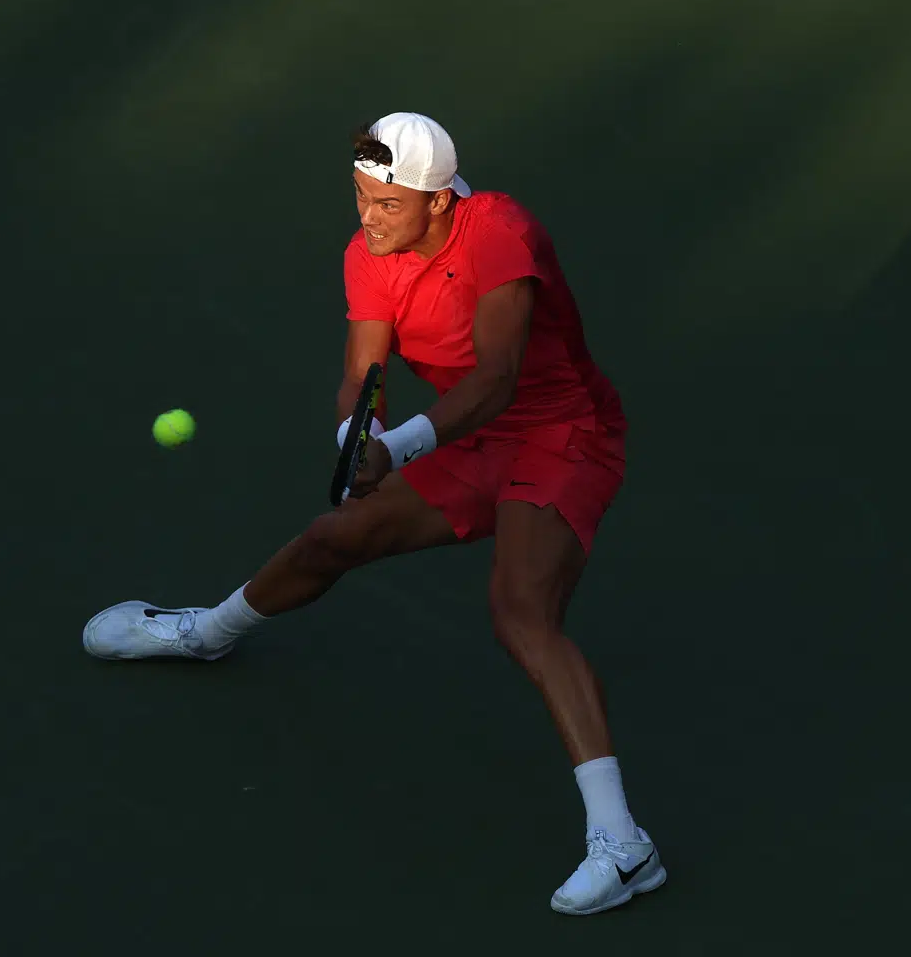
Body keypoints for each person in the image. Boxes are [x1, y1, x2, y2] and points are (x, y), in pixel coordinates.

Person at [82, 112, 666, 916]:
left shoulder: (497, 231)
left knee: (521, 609)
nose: (368, 216)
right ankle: (204, 633)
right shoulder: (369, 257)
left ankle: (623, 843)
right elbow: (364, 373)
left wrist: (403, 445)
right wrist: (357, 434)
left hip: (564, 436)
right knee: (335, 536)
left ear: (438, 202)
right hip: (467, 437)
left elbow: (497, 379)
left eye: (386, 204)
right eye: (360, 197)